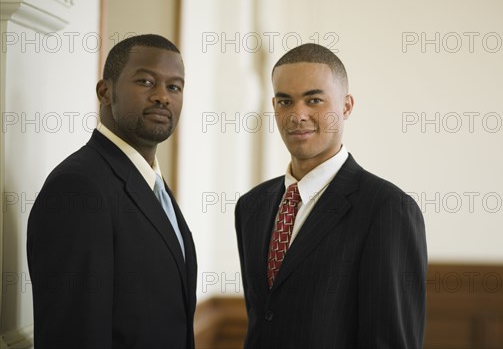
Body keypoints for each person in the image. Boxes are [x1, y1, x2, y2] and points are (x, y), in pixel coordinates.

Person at [235, 43, 427, 348]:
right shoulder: (251, 206)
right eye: (285, 101)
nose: (298, 115)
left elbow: (391, 340)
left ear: (346, 107)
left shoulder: (388, 208)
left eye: (314, 100)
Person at [27, 34, 197, 348]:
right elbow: (72, 333)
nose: (162, 96)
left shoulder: (153, 186)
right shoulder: (78, 189)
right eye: (146, 81)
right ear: (105, 91)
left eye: (174, 86)